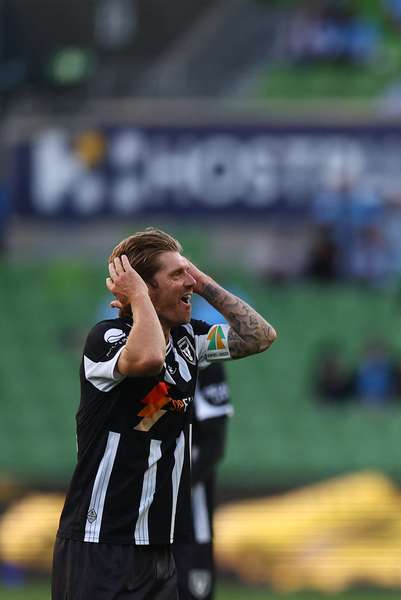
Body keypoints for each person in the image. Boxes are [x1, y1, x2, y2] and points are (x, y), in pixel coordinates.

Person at [51, 228, 277, 600]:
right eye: (176, 275)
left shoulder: (191, 341)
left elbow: (260, 336)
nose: (188, 280)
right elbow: (149, 358)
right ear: (144, 287)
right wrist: (139, 297)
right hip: (98, 543)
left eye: (187, 272)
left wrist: (202, 283)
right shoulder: (106, 339)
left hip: (159, 549)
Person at [174, 361, 232, 600]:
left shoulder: (205, 358)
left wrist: (179, 485)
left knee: (192, 586)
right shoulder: (144, 354)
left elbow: (214, 443)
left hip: (189, 495)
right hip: (148, 504)